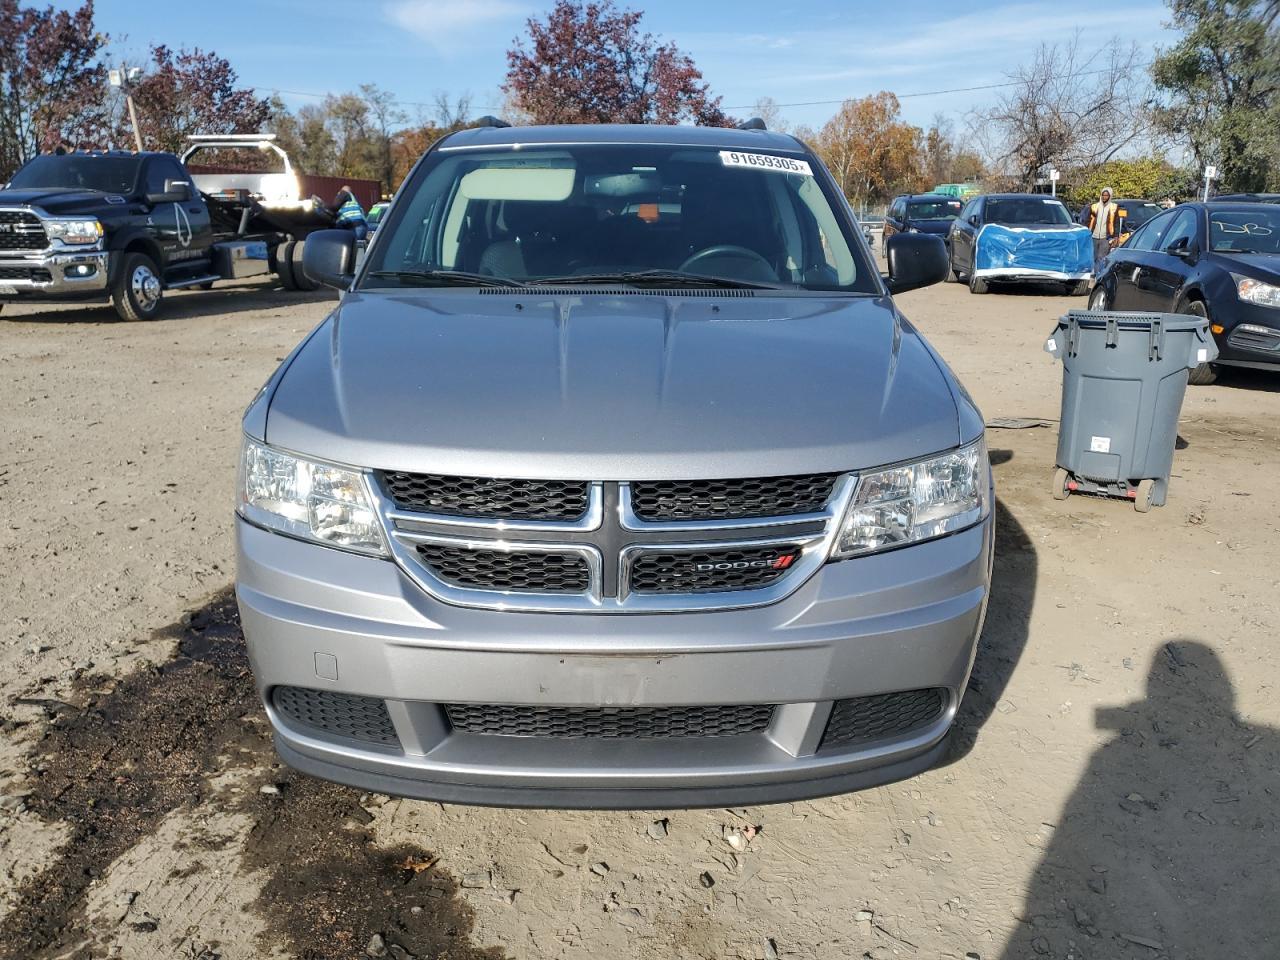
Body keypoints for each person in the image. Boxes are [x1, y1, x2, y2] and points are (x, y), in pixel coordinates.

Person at [1085, 187, 1119, 269]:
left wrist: (1115, 236)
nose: (1104, 197)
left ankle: (1098, 276)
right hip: (1093, 236)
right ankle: (1092, 274)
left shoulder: (1114, 207)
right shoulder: (1094, 206)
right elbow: (1088, 220)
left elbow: (1116, 223)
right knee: (1093, 257)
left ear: (1110, 196)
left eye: (1106, 195)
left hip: (1106, 237)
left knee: (1101, 257)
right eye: (1103, 195)